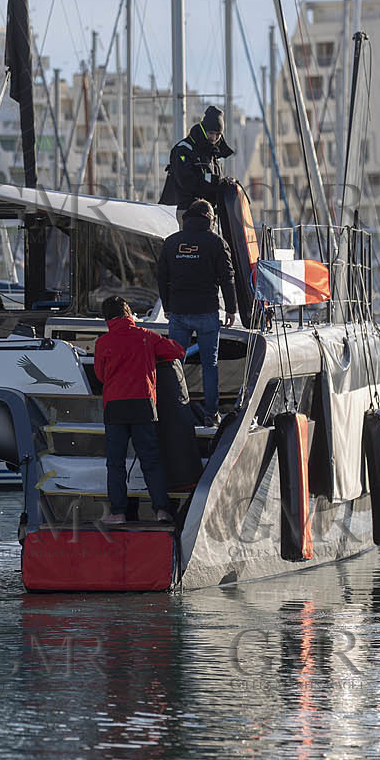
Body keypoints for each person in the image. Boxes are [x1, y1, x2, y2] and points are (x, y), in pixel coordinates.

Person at [92, 295, 185, 525]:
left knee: (115, 464)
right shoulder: (146, 336)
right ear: (128, 314)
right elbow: (178, 351)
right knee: (150, 461)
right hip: (143, 404)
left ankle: (118, 513)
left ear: (107, 318)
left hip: (115, 406)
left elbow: (100, 376)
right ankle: (161, 510)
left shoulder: (103, 342)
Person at [156, 198, 237, 421]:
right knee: (209, 366)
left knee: (175, 364)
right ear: (210, 218)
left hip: (178, 312)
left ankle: (173, 413)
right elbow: (227, 278)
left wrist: (167, 306)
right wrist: (231, 309)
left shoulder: (172, 242)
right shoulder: (216, 242)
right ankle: (211, 414)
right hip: (206, 311)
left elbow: (162, 276)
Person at [159, 105, 235, 214]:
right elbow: (187, 181)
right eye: (211, 133)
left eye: (218, 134)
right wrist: (215, 181)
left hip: (207, 213)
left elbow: (212, 185)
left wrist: (224, 185)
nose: (214, 138)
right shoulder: (183, 149)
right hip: (185, 211)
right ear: (203, 130)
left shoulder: (213, 155)